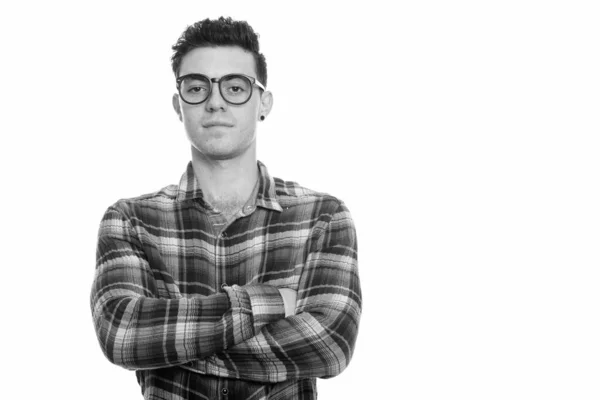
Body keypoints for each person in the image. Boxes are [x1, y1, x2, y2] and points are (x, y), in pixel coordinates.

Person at [90, 16, 361, 400]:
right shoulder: (131, 221)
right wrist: (270, 302)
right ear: (178, 105)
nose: (215, 101)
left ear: (263, 102)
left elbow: (330, 343)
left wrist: (169, 348)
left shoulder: (322, 217)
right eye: (197, 87)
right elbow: (121, 333)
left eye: (235, 87)